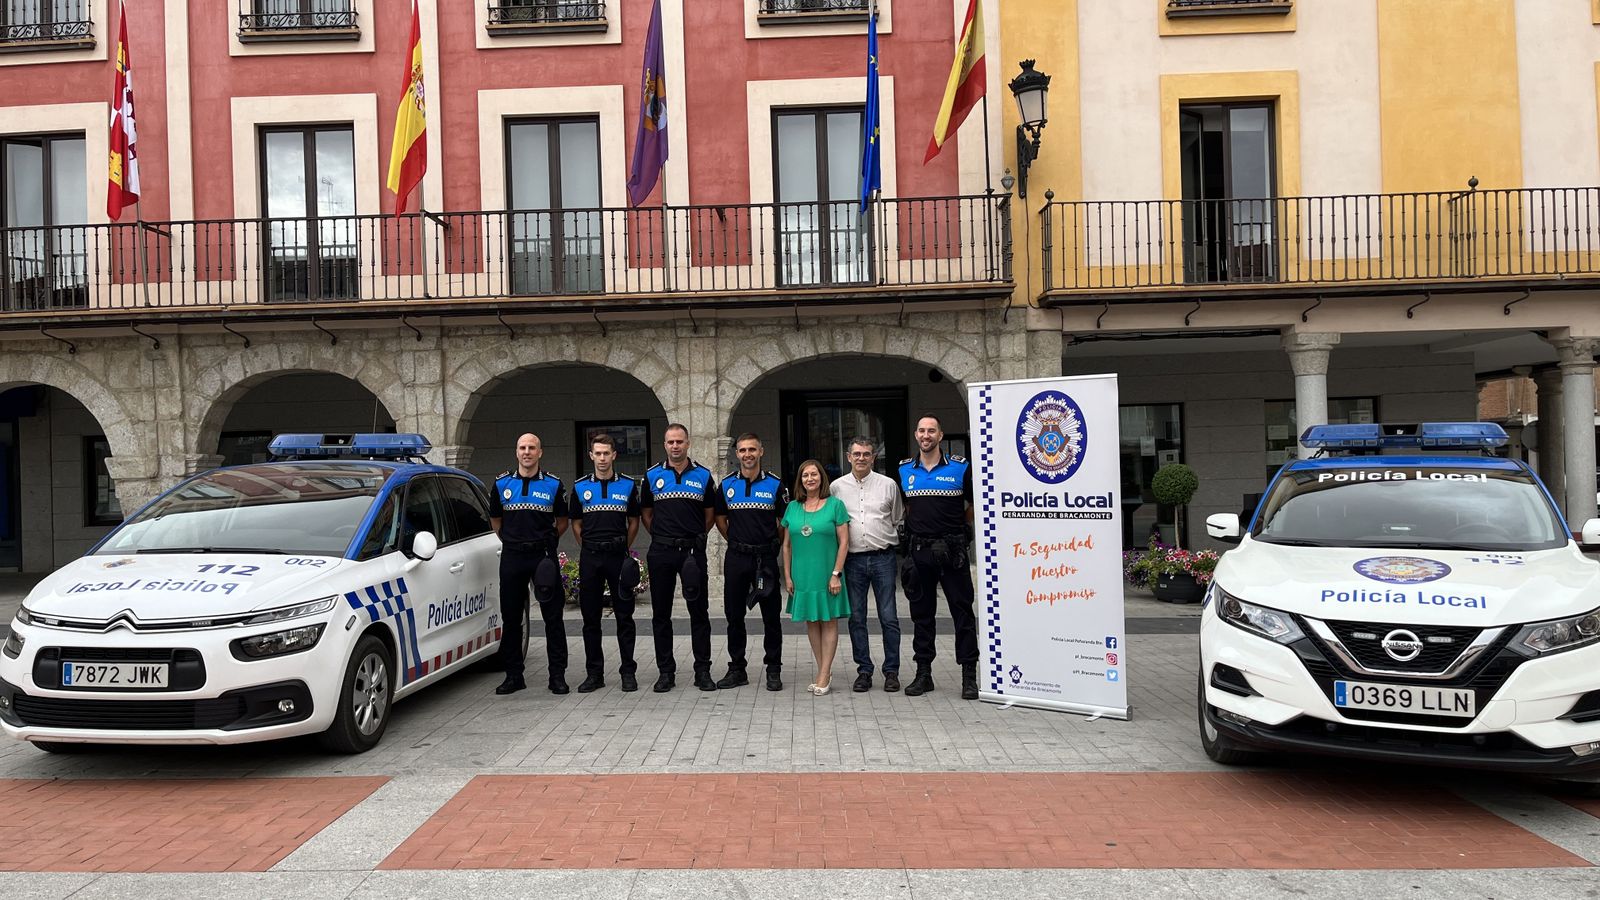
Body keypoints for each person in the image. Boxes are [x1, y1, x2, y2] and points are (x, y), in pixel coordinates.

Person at [898, 415, 978, 700]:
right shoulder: (905, 470)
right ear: (916, 435)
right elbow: (907, 509)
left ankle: (969, 676)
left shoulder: (960, 467)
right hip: (919, 553)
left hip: (952, 552)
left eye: (931, 430)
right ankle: (923, 675)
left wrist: (958, 532)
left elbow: (972, 504)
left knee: (963, 613)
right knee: (922, 616)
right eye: (921, 430)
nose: (926, 435)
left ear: (940, 435)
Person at [488, 433, 569, 695]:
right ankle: (514, 676)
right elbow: (496, 521)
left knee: (553, 618)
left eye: (531, 448)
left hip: (542, 557)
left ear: (540, 452)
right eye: (522, 447)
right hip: (512, 556)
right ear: (516, 451)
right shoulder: (501, 484)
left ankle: (557, 676)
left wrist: (548, 542)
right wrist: (512, 540)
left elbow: (563, 520)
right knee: (511, 618)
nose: (527, 452)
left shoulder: (554, 485)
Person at [641, 424, 718, 692]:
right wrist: (664, 536)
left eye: (680, 442)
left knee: (699, 613)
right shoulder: (651, 476)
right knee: (660, 614)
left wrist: (694, 537)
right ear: (665, 445)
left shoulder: (704, 476)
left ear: (688, 443)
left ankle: (703, 671)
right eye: (671, 442)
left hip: (692, 553)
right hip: (661, 551)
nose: (675, 446)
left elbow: (710, 514)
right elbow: (646, 515)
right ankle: (665, 672)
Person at [713, 433, 788, 691]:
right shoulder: (726, 485)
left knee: (771, 617)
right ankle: (737, 669)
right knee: (734, 615)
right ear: (737, 454)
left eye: (752, 450)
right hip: (736, 557)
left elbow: (784, 522)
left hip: (765, 558)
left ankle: (774, 669)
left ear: (761, 451)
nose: (747, 454)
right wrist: (735, 540)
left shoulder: (776, 485)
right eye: (743, 450)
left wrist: (771, 545)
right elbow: (720, 520)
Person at [829, 436, 904, 693]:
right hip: (853, 560)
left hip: (883, 558)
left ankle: (891, 671)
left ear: (874, 457)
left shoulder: (888, 485)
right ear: (848, 456)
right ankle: (864, 671)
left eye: (867, 454)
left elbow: (896, 518)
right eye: (857, 454)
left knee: (889, 617)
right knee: (857, 618)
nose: (862, 458)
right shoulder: (836, 488)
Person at [569, 433, 643, 693]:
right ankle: (594, 674)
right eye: (597, 453)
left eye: (606, 453)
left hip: (617, 556)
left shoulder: (627, 485)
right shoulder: (579, 487)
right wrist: (588, 546)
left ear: (614, 455)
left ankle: (628, 672)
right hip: (591, 557)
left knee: (625, 616)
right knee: (591, 619)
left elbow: (634, 521)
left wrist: (623, 545)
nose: (601, 458)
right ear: (591, 456)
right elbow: (575, 523)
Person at [781, 459, 851, 695]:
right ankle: (824, 670)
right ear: (800, 480)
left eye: (814, 474)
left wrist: (836, 574)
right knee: (812, 621)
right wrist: (788, 577)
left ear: (822, 478)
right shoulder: (792, 507)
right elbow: (787, 546)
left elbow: (844, 542)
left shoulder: (835, 505)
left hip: (827, 574)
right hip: (803, 576)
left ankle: (823, 673)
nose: (810, 479)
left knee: (829, 620)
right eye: (805, 476)